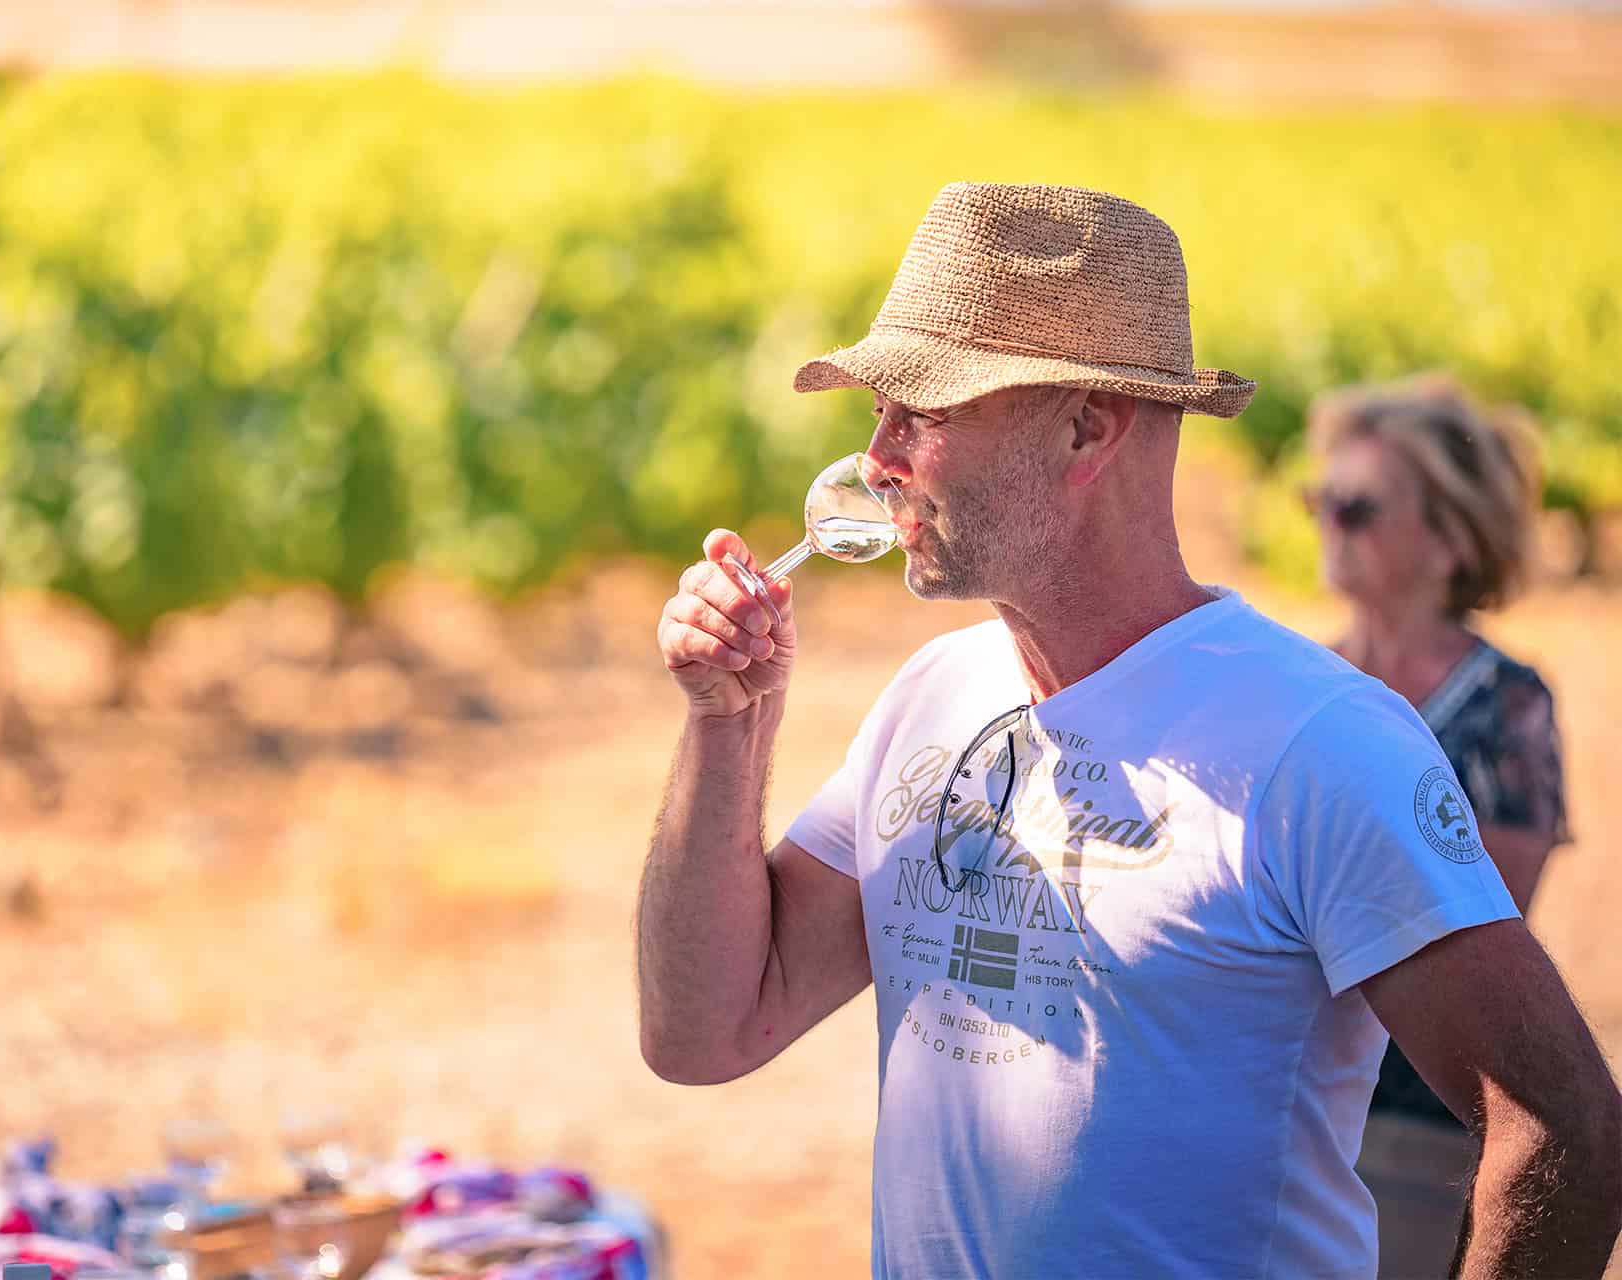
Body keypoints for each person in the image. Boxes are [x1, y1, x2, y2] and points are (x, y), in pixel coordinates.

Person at [635, 182, 1621, 1278]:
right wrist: (726, 724)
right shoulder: (934, 692)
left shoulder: (1324, 743)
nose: (878, 458)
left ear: (1087, 425)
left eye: (925, 410)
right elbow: (704, 1031)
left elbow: (1563, 1127)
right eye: (879, 411)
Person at [1306, 374, 1574, 1278]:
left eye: (1357, 507)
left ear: (1449, 541)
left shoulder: (1506, 706)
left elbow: (1477, 929)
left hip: (1415, 1132)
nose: (1326, 525)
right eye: (1321, 500)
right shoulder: (1301, 681)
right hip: (1292, 1109)